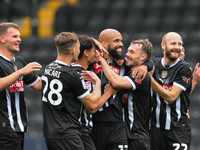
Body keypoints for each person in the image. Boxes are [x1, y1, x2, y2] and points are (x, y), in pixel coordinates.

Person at [41, 32, 116, 150]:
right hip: (68, 132)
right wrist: (98, 84)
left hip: (50, 133)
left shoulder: (48, 68)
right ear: (73, 50)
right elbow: (91, 106)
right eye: (79, 48)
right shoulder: (73, 75)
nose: (79, 51)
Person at [83, 38, 153, 150]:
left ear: (143, 57)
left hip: (136, 137)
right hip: (124, 133)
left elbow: (116, 82)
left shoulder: (141, 76)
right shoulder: (127, 69)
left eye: (132, 52)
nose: (126, 54)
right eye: (128, 51)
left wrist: (101, 59)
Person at [0, 22, 42, 150]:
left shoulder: (19, 61)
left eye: (19, 36)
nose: (19, 39)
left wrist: (58, 74)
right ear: (2, 38)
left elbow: (39, 86)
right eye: (14, 36)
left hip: (19, 127)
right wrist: (20, 72)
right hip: (3, 127)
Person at [73, 35, 118, 150]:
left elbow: (77, 39)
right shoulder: (82, 75)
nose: (96, 54)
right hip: (81, 129)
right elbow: (91, 108)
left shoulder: (71, 70)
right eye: (94, 51)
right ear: (86, 53)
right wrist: (108, 93)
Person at [149, 32, 193, 150]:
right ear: (163, 45)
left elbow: (171, 97)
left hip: (177, 129)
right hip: (155, 129)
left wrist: (151, 80)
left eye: (180, 44)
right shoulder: (153, 64)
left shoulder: (185, 68)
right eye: (173, 43)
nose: (177, 47)